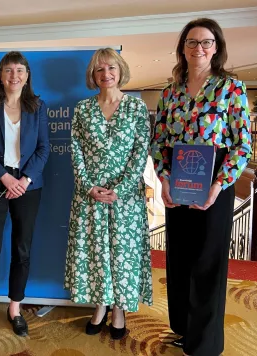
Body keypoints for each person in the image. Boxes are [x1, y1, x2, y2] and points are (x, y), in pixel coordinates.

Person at [150, 18, 252, 356]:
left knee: (208, 261)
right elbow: (159, 141)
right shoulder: (170, 92)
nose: (199, 48)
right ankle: (183, 328)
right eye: (192, 42)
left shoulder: (231, 89)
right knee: (178, 258)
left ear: (217, 47)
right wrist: (163, 178)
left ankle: (205, 343)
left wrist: (219, 186)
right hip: (177, 181)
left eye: (206, 42)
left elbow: (242, 145)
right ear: (183, 48)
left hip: (213, 184)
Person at [64, 48, 153, 339]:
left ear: (120, 70)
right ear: (93, 75)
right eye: (100, 69)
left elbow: (141, 152)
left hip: (125, 198)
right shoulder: (82, 109)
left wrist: (121, 189)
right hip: (90, 197)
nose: (106, 74)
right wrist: (89, 186)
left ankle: (119, 310)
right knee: (96, 253)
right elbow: (75, 150)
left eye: (111, 68)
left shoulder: (136, 108)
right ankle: (100, 306)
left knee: (122, 254)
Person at [0, 51, 50, 338]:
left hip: (28, 187)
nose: (14, 76)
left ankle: (15, 308)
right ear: (0, 76)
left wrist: (24, 180)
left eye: (20, 70)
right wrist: (4, 177)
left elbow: (43, 149)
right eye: (8, 70)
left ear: (27, 76)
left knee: (21, 250)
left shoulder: (37, 107)